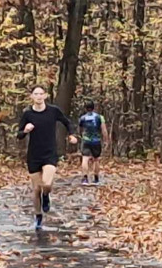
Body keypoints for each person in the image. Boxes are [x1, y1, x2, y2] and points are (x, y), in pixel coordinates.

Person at [17, 85, 78, 230]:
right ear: (31, 97)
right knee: (36, 189)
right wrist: (25, 130)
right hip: (34, 155)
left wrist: (72, 135)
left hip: (50, 153)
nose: (38, 96)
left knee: (47, 184)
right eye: (35, 94)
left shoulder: (53, 111)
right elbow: (19, 135)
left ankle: (46, 196)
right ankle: (38, 216)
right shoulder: (27, 114)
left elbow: (67, 122)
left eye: (41, 94)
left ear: (45, 96)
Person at [77, 100, 108, 185]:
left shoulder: (82, 118)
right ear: (93, 107)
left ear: (85, 108)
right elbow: (104, 130)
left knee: (85, 159)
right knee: (96, 159)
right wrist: (106, 140)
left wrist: (80, 137)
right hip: (96, 140)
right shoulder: (99, 117)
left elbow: (79, 129)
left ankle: (85, 179)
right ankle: (96, 178)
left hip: (86, 139)